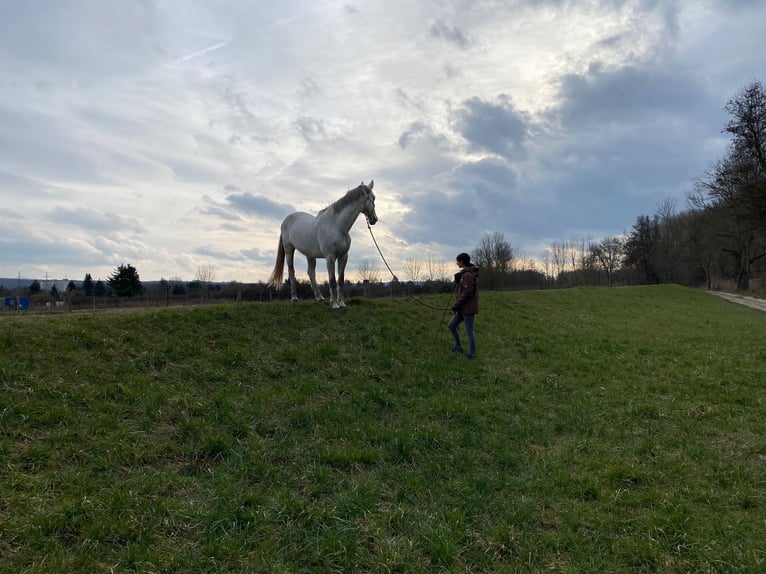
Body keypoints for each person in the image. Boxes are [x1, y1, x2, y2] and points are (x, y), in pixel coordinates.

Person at [448, 252, 479, 359]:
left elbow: (467, 293)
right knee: (451, 326)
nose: (457, 263)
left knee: (469, 330)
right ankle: (458, 346)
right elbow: (463, 290)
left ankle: (472, 354)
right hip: (462, 308)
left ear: (462, 262)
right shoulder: (464, 274)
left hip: (468, 308)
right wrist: (458, 281)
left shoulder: (468, 275)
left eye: (458, 261)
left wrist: (456, 304)